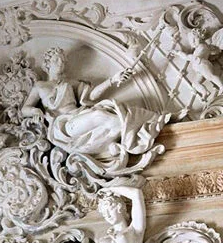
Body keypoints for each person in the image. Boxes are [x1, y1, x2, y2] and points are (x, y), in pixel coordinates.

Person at [21, 47, 171, 157]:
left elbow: (91, 95)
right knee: (101, 114)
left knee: (115, 113)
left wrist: (113, 80)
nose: (60, 63)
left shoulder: (70, 83)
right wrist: (35, 111)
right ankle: (127, 139)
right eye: (56, 60)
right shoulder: (40, 86)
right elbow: (24, 109)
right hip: (65, 125)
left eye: (62, 60)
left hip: (78, 114)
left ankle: (111, 146)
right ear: (47, 64)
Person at [172, 28, 223, 100]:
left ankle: (221, 86)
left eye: (194, 40)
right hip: (198, 67)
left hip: (202, 63)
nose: (193, 43)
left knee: (211, 76)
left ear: (199, 38)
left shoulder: (203, 46)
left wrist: (178, 52)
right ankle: (205, 92)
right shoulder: (200, 47)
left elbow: (188, 57)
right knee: (195, 83)